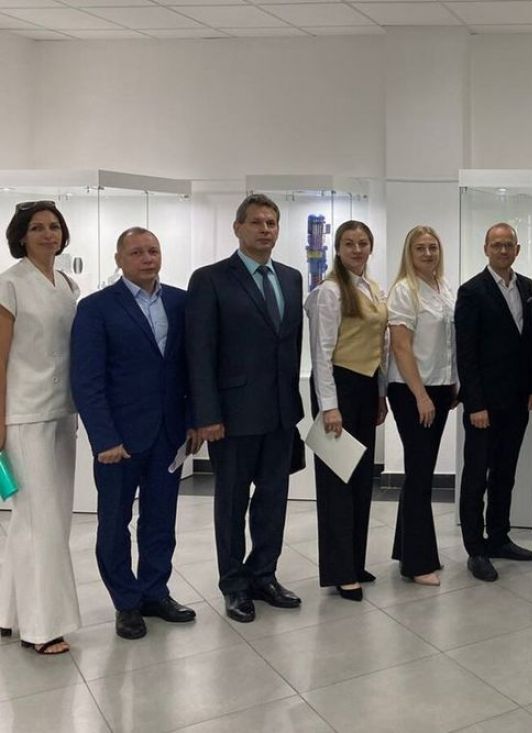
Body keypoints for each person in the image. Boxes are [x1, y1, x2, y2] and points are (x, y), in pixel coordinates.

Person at [71, 227, 200, 640]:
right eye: (137, 252)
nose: (147, 258)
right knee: (115, 522)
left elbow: (193, 368)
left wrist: (193, 420)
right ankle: (126, 602)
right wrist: (103, 438)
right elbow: (87, 380)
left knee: (161, 519)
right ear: (119, 259)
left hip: (169, 433)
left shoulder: (180, 302)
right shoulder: (96, 308)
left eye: (153, 251)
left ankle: (154, 592)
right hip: (120, 439)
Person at [187, 194, 305, 624]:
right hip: (232, 416)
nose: (265, 229)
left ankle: (264, 575)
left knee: (274, 500)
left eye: (271, 222)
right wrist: (206, 414)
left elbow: (290, 345)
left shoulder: (291, 278)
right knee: (232, 503)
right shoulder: (211, 279)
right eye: (256, 222)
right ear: (237, 228)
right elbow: (199, 351)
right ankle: (234, 585)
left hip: (279, 413)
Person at [0, 201, 81, 655]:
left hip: (62, 412)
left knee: (47, 520)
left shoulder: (67, 284)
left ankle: (8, 613)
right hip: (24, 414)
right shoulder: (9, 284)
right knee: (39, 521)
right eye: (37, 228)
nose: (48, 234)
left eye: (54, 227)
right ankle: (42, 627)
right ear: (21, 236)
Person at [304, 220, 388, 602]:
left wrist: (380, 395)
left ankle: (355, 560)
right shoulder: (330, 291)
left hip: (366, 388)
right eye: (349, 243)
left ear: (371, 247)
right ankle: (340, 571)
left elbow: (380, 346)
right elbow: (321, 353)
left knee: (360, 481)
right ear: (337, 249)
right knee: (336, 484)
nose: (357, 249)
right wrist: (329, 407)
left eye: (363, 243)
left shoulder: (371, 287)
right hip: (338, 388)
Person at [455, 222, 532, 583]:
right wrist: (475, 404)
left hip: (517, 401)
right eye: (497, 245)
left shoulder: (527, 287)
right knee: (477, 476)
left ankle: (499, 537)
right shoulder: (471, 291)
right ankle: (476, 549)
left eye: (509, 245)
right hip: (484, 406)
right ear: (486, 249)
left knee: (505, 473)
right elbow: (466, 352)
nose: (503, 250)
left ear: (517, 250)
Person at [387, 225, 456, 586]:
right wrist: (421, 395)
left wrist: (453, 382)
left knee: (421, 471)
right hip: (413, 392)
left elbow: (447, 343)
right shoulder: (404, 290)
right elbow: (401, 347)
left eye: (433, 247)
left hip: (440, 389)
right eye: (420, 248)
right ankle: (417, 564)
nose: (428, 254)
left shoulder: (443, 287)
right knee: (419, 474)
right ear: (409, 253)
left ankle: (407, 549)